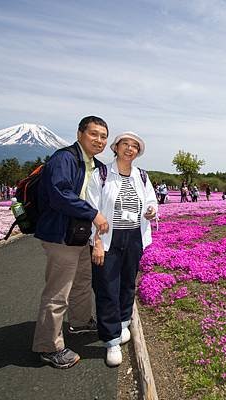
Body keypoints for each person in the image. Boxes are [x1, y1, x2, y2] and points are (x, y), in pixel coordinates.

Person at [31, 116, 110, 369]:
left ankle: (80, 321)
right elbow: (60, 194)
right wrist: (94, 214)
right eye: (94, 134)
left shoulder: (95, 165)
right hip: (61, 235)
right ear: (79, 134)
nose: (99, 140)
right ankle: (48, 347)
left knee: (82, 281)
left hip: (80, 236)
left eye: (103, 136)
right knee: (58, 292)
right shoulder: (64, 158)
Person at [87, 131, 157, 367]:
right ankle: (111, 340)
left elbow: (151, 201)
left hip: (134, 236)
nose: (130, 148)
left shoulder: (143, 176)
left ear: (138, 152)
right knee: (107, 286)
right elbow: (92, 210)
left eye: (134, 146)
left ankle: (124, 323)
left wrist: (150, 210)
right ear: (115, 147)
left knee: (128, 282)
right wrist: (96, 242)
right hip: (108, 237)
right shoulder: (102, 174)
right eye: (125, 144)